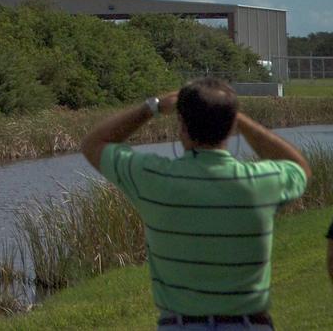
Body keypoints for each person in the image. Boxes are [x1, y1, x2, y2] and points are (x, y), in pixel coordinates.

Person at [81, 78, 310, 330]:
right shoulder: (262, 181)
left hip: (179, 324)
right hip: (249, 324)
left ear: (181, 126)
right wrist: (237, 119)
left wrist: (152, 107)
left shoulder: (153, 177)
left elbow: (94, 143)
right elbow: (299, 168)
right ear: (231, 126)